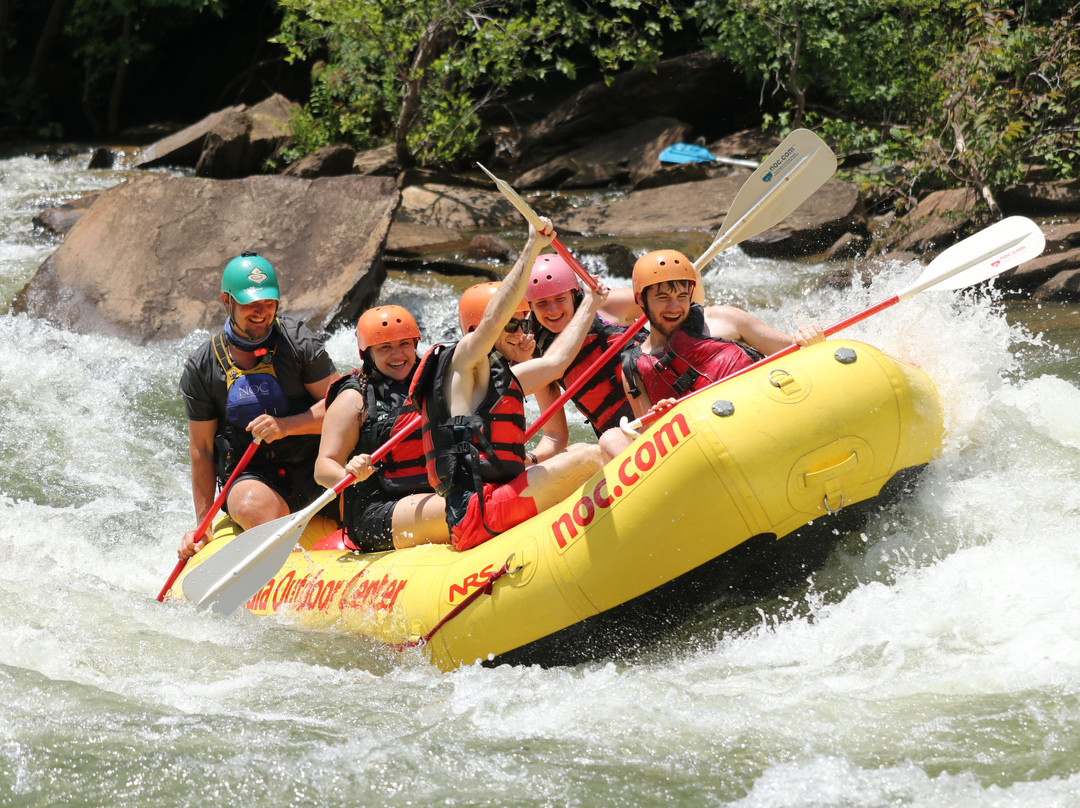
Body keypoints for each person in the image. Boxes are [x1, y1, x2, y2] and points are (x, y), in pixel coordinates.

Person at [406, 218, 608, 551]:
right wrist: (532, 247)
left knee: (575, 452)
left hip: (494, 501)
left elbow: (556, 362)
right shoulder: (461, 363)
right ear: (482, 328)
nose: (520, 331)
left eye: (522, 322)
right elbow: (492, 320)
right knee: (590, 457)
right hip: (478, 512)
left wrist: (589, 303)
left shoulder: (495, 376)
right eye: (512, 323)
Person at [177, 251, 340, 558]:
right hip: (253, 476)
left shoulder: (298, 341)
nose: (261, 311)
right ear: (227, 301)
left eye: (268, 302)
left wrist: (287, 426)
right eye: (251, 302)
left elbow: (343, 407)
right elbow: (202, 450)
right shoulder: (202, 365)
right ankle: (288, 566)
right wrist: (203, 525)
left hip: (313, 466)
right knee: (249, 504)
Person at [601, 248, 823, 459]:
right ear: (640, 299)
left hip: (769, 419)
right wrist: (662, 422)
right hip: (714, 451)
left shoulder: (725, 319)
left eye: (681, 296)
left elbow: (794, 350)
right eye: (662, 298)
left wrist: (808, 338)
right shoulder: (634, 368)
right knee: (610, 439)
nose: (674, 307)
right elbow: (651, 437)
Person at [314, 305, 450, 552]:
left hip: (435, 493)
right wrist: (348, 472)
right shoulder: (354, 398)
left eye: (405, 344)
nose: (398, 355)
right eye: (385, 347)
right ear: (367, 354)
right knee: (463, 506)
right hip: (377, 511)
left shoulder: (435, 381)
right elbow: (323, 468)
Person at [525, 253, 647, 450]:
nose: (553, 310)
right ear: (530, 306)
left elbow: (676, 305)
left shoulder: (607, 306)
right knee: (604, 442)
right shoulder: (539, 354)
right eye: (541, 303)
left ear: (574, 294)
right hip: (621, 437)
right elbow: (555, 436)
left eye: (560, 298)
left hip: (662, 405)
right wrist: (531, 459)